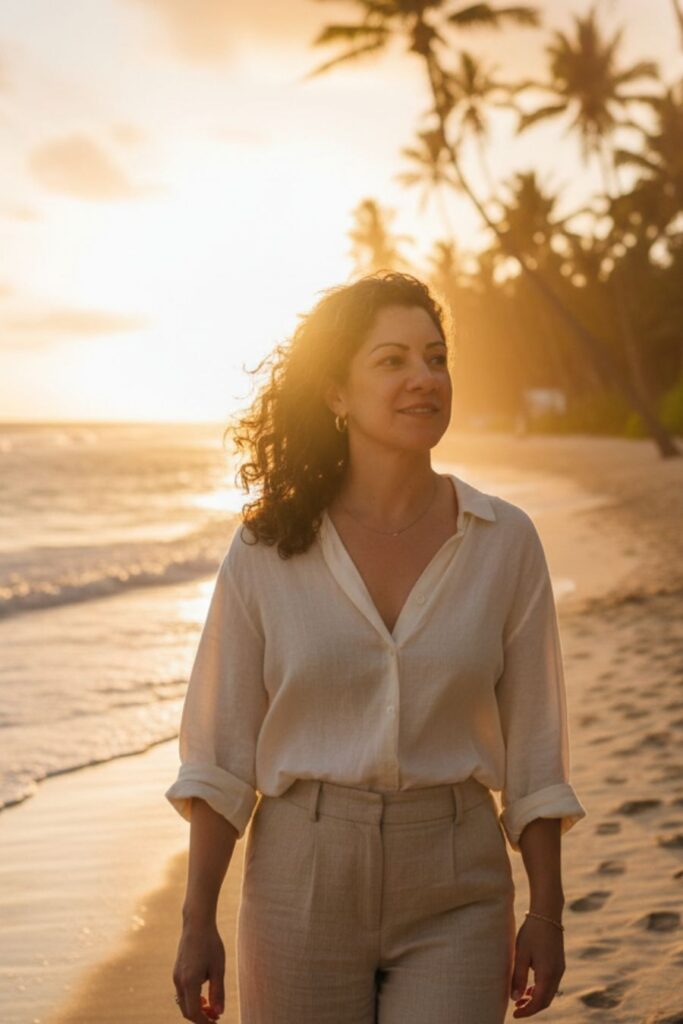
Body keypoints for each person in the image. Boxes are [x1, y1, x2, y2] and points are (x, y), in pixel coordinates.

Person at [165, 271, 587, 1024]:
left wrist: (546, 912)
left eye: (435, 358)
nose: (423, 379)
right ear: (335, 394)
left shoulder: (503, 542)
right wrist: (197, 920)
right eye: (391, 361)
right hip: (302, 876)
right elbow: (221, 754)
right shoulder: (266, 549)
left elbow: (534, 753)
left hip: (457, 877)